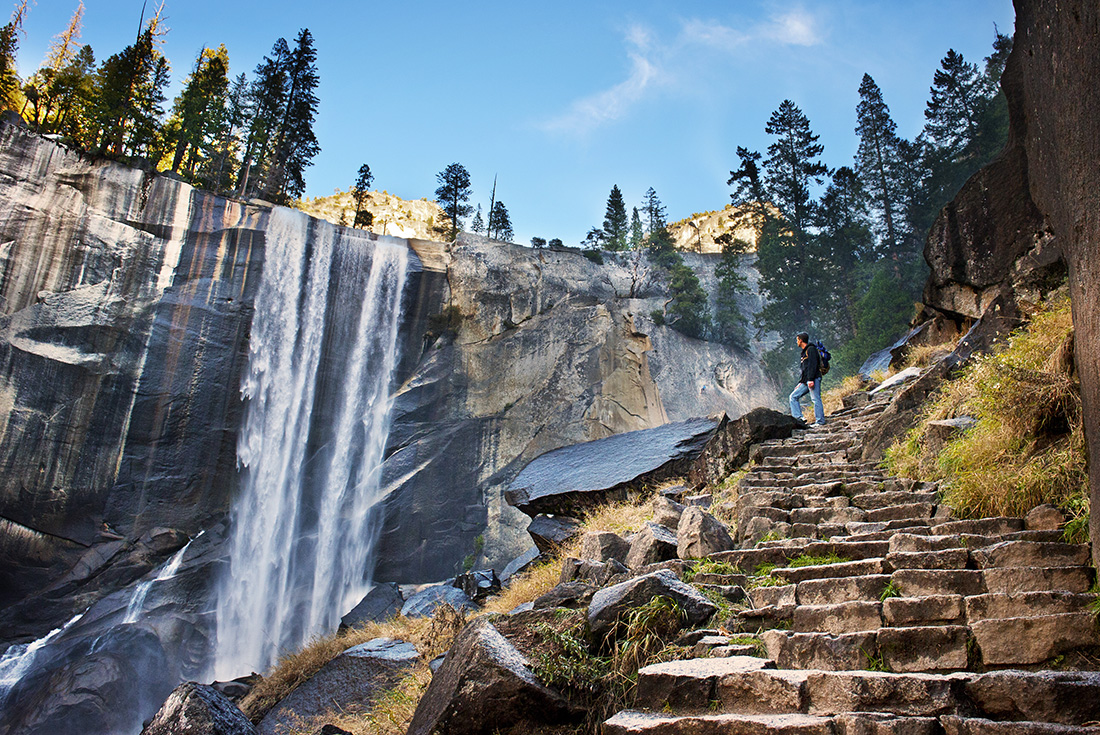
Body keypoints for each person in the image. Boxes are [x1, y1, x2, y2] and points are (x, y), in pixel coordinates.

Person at [789, 332, 825, 426]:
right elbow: (805, 370)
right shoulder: (804, 352)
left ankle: (820, 421)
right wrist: (800, 383)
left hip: (814, 378)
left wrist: (811, 379)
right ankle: (799, 418)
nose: (796, 342)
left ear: (801, 340)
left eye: (797, 340)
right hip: (806, 381)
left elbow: (812, 365)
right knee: (793, 397)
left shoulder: (811, 349)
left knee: (816, 399)